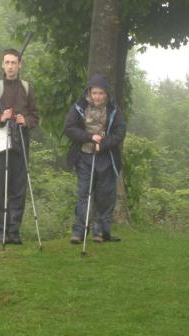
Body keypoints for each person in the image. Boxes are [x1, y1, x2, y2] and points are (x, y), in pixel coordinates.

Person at [0, 48, 38, 244]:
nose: (10, 66)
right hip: (0, 143)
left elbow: (35, 116)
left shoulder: (27, 87)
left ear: (20, 64)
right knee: (0, 188)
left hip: (21, 141)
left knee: (19, 188)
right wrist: (1, 117)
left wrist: (26, 120)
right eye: (7, 62)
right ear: (2, 65)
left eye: (14, 62)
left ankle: (14, 231)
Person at [64, 74, 126, 244]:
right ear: (89, 93)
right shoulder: (79, 107)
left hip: (106, 158)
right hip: (84, 156)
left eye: (101, 93)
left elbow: (120, 132)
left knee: (104, 195)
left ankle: (101, 231)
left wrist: (103, 143)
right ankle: (79, 231)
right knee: (84, 194)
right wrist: (90, 137)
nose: (97, 96)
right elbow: (69, 128)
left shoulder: (114, 110)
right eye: (94, 93)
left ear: (106, 94)